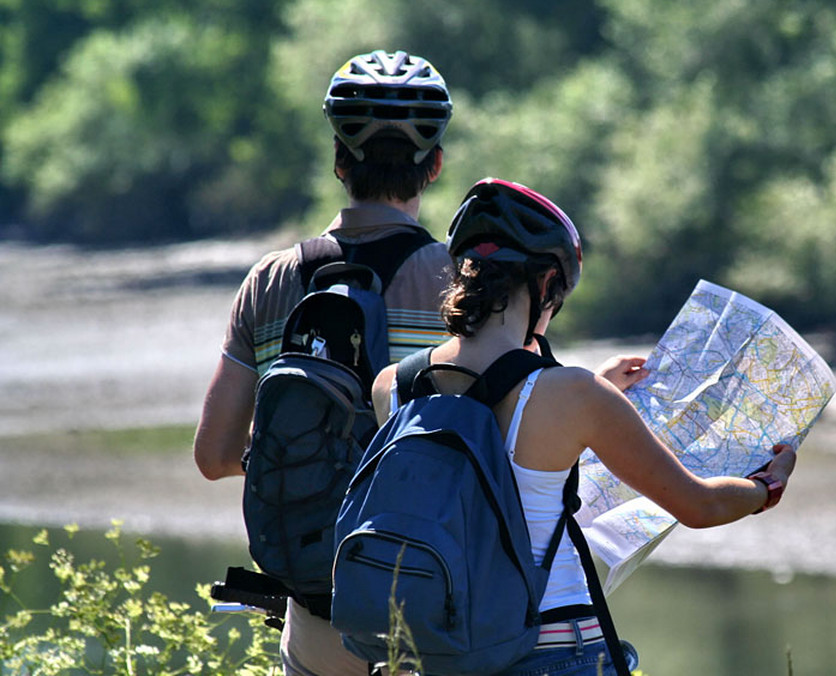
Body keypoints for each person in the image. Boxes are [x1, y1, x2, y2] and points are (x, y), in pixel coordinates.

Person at [374, 178, 797, 675]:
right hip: (554, 648)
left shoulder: (393, 386)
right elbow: (701, 506)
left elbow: (479, 443)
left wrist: (596, 390)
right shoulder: (574, 397)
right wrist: (767, 484)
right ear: (548, 284)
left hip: (442, 648)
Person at [193, 49, 454, 676]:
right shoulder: (464, 284)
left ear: (339, 162)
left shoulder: (271, 281)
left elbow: (214, 456)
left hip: (319, 602)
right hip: (439, 594)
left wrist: (312, 452)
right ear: (435, 166)